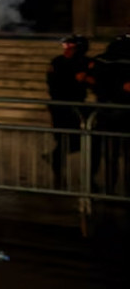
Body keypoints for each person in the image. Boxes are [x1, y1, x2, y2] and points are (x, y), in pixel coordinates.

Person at [46, 34, 91, 188]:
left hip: (75, 106)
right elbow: (54, 84)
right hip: (61, 106)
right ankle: (57, 170)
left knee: (75, 140)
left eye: (70, 46)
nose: (66, 49)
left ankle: (54, 159)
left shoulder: (83, 62)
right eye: (65, 46)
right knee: (63, 139)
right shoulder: (58, 62)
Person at [87, 34, 130, 195]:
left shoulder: (101, 61)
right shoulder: (109, 62)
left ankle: (112, 190)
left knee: (112, 156)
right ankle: (119, 191)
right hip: (117, 114)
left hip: (107, 113)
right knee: (120, 156)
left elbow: (95, 84)